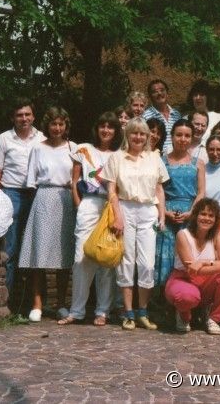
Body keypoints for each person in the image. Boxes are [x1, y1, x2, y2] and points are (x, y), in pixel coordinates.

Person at [101, 117, 168, 330]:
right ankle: (128, 312)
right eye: (134, 133)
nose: (138, 137)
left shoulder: (155, 158)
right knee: (126, 262)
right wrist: (117, 216)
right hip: (125, 208)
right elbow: (111, 190)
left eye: (142, 134)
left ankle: (143, 312)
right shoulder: (116, 158)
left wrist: (162, 215)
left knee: (147, 264)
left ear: (148, 137)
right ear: (127, 135)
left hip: (148, 210)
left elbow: (159, 189)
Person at [57, 112, 122, 326]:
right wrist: (79, 204)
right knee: (80, 258)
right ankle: (76, 310)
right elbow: (74, 181)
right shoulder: (84, 149)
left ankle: (103, 311)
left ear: (116, 130)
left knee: (106, 257)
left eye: (110, 127)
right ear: (97, 128)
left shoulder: (121, 153)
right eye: (102, 126)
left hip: (111, 205)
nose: (106, 130)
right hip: (89, 202)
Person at [18, 107, 77, 322]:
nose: (57, 128)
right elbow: (31, 181)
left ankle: (61, 303)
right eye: (53, 124)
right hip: (43, 197)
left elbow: (81, 178)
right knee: (39, 254)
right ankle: (37, 303)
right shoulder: (38, 149)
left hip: (66, 199)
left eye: (61, 124)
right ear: (47, 125)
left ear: (66, 126)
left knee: (64, 253)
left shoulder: (74, 148)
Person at [0, 98, 45, 303]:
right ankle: (7, 302)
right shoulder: (4, 139)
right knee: (10, 249)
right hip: (11, 194)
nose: (24, 118)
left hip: (36, 194)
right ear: (13, 117)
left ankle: (35, 303)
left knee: (35, 249)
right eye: (20, 115)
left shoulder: (42, 138)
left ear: (33, 116)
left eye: (27, 114)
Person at [165, 198, 220, 334]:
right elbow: (192, 270)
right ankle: (184, 315)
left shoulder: (216, 235)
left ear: (216, 219)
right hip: (183, 279)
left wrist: (204, 262)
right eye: (203, 214)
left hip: (206, 282)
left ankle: (214, 319)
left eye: (211, 215)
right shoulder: (183, 235)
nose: (207, 218)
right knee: (187, 297)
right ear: (195, 216)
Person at [155, 119, 206, 287]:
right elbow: (156, 190)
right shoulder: (160, 161)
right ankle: (160, 299)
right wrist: (164, 213)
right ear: (172, 136)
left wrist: (192, 212)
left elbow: (201, 192)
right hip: (166, 213)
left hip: (190, 215)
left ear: (192, 138)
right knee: (164, 253)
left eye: (187, 135)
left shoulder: (198, 163)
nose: (183, 139)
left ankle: (184, 300)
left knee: (186, 255)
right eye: (179, 135)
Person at [142, 79, 181, 153]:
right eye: (155, 92)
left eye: (162, 90)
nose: (159, 93)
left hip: (175, 157)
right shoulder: (145, 116)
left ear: (167, 93)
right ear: (150, 96)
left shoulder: (176, 114)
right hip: (155, 156)